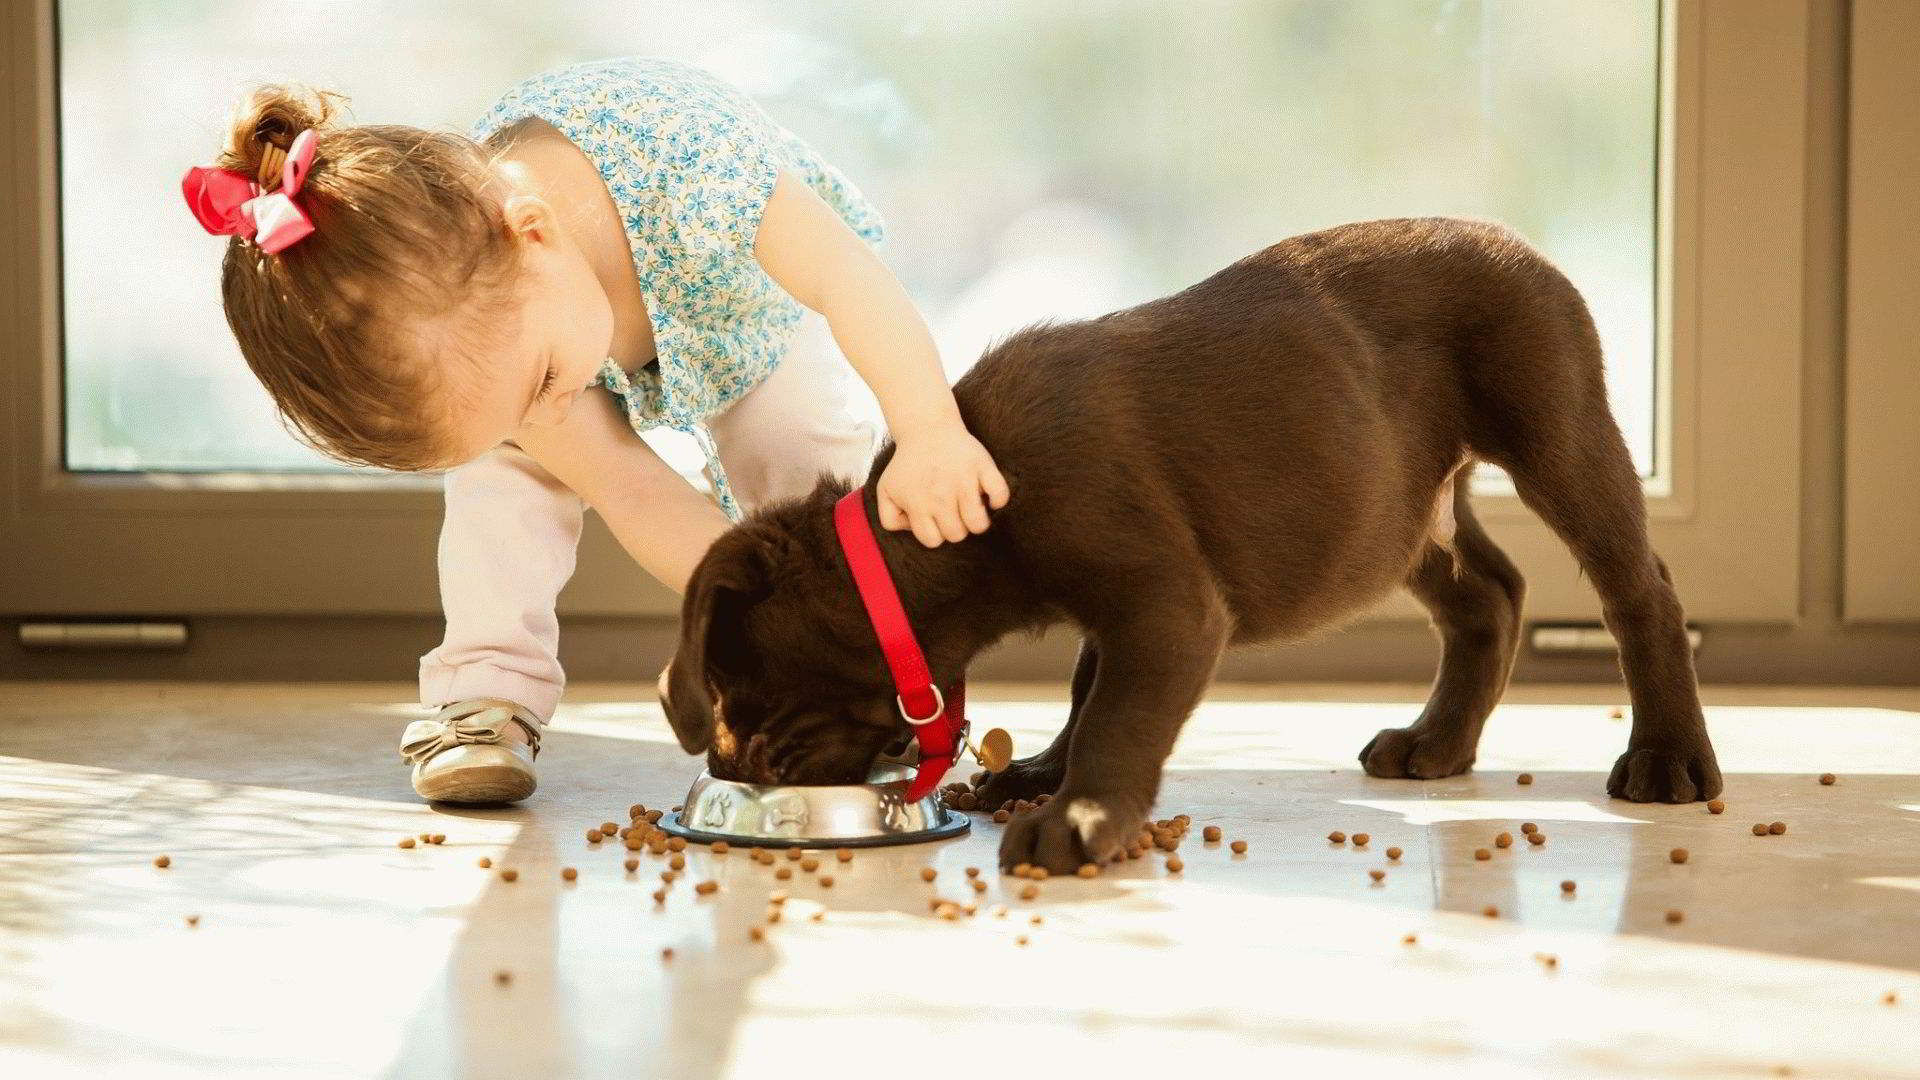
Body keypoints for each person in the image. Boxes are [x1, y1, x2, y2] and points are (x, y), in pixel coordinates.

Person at [181, 56, 1009, 804]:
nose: (547, 415)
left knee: (800, 445)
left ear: (534, 234)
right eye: (516, 411)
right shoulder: (506, 338)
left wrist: (930, 428)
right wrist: (736, 616)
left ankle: (846, 675)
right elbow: (630, 486)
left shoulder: (697, 170)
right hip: (548, 327)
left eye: (540, 387)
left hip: (742, 307)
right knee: (502, 483)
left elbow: (848, 279)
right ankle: (485, 690)